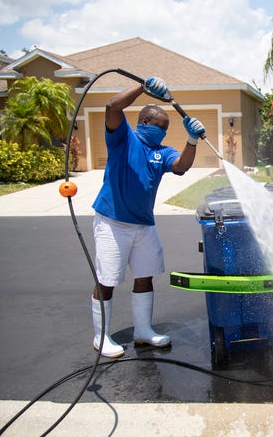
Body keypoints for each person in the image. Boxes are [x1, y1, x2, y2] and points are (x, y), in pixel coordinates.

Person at [90, 76, 205, 358]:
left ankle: (143, 331)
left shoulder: (162, 152)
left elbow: (180, 167)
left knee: (145, 276)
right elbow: (112, 108)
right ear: (143, 123)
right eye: (160, 126)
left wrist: (191, 141)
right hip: (112, 222)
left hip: (143, 225)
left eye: (167, 129)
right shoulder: (123, 138)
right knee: (107, 279)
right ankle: (101, 336)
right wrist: (143, 87)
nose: (163, 132)